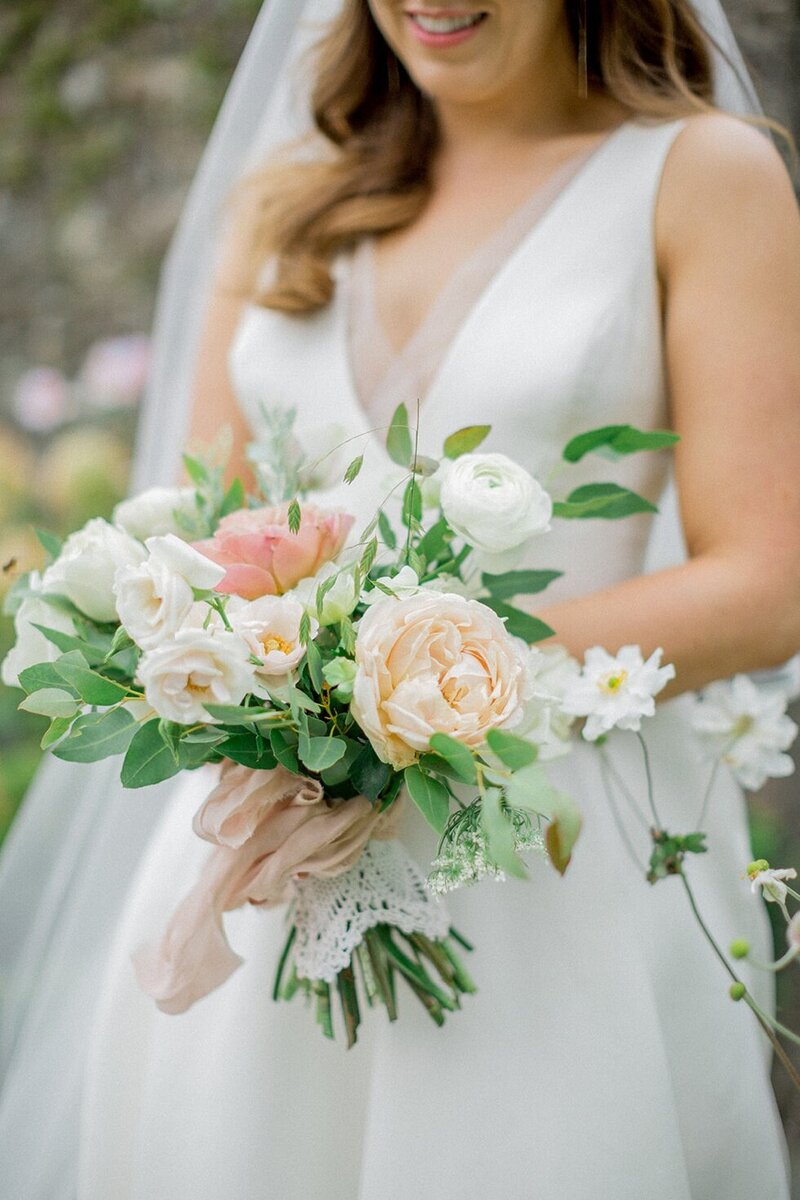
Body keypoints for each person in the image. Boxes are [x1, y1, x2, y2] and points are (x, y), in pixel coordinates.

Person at [2, 2, 799, 1197]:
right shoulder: (286, 195)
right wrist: (265, 686)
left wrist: (399, 693)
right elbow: (202, 526)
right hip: (269, 841)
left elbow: (765, 581)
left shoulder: (695, 174)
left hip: (549, 845)